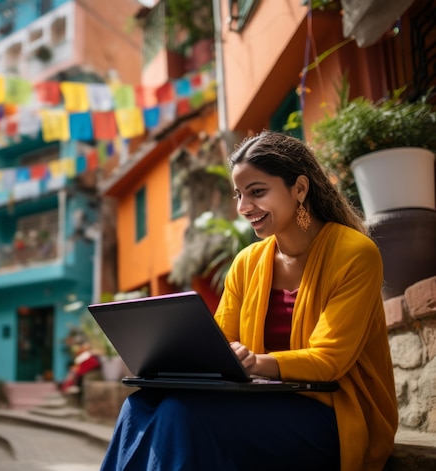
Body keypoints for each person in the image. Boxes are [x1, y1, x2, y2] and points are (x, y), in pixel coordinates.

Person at [100, 131, 398, 471]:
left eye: (257, 192)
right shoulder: (247, 261)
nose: (243, 208)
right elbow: (222, 341)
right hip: (258, 402)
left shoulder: (355, 254)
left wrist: (256, 362)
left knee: (181, 415)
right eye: (239, 195)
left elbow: (329, 360)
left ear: (299, 188)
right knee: (138, 406)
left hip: (332, 414)